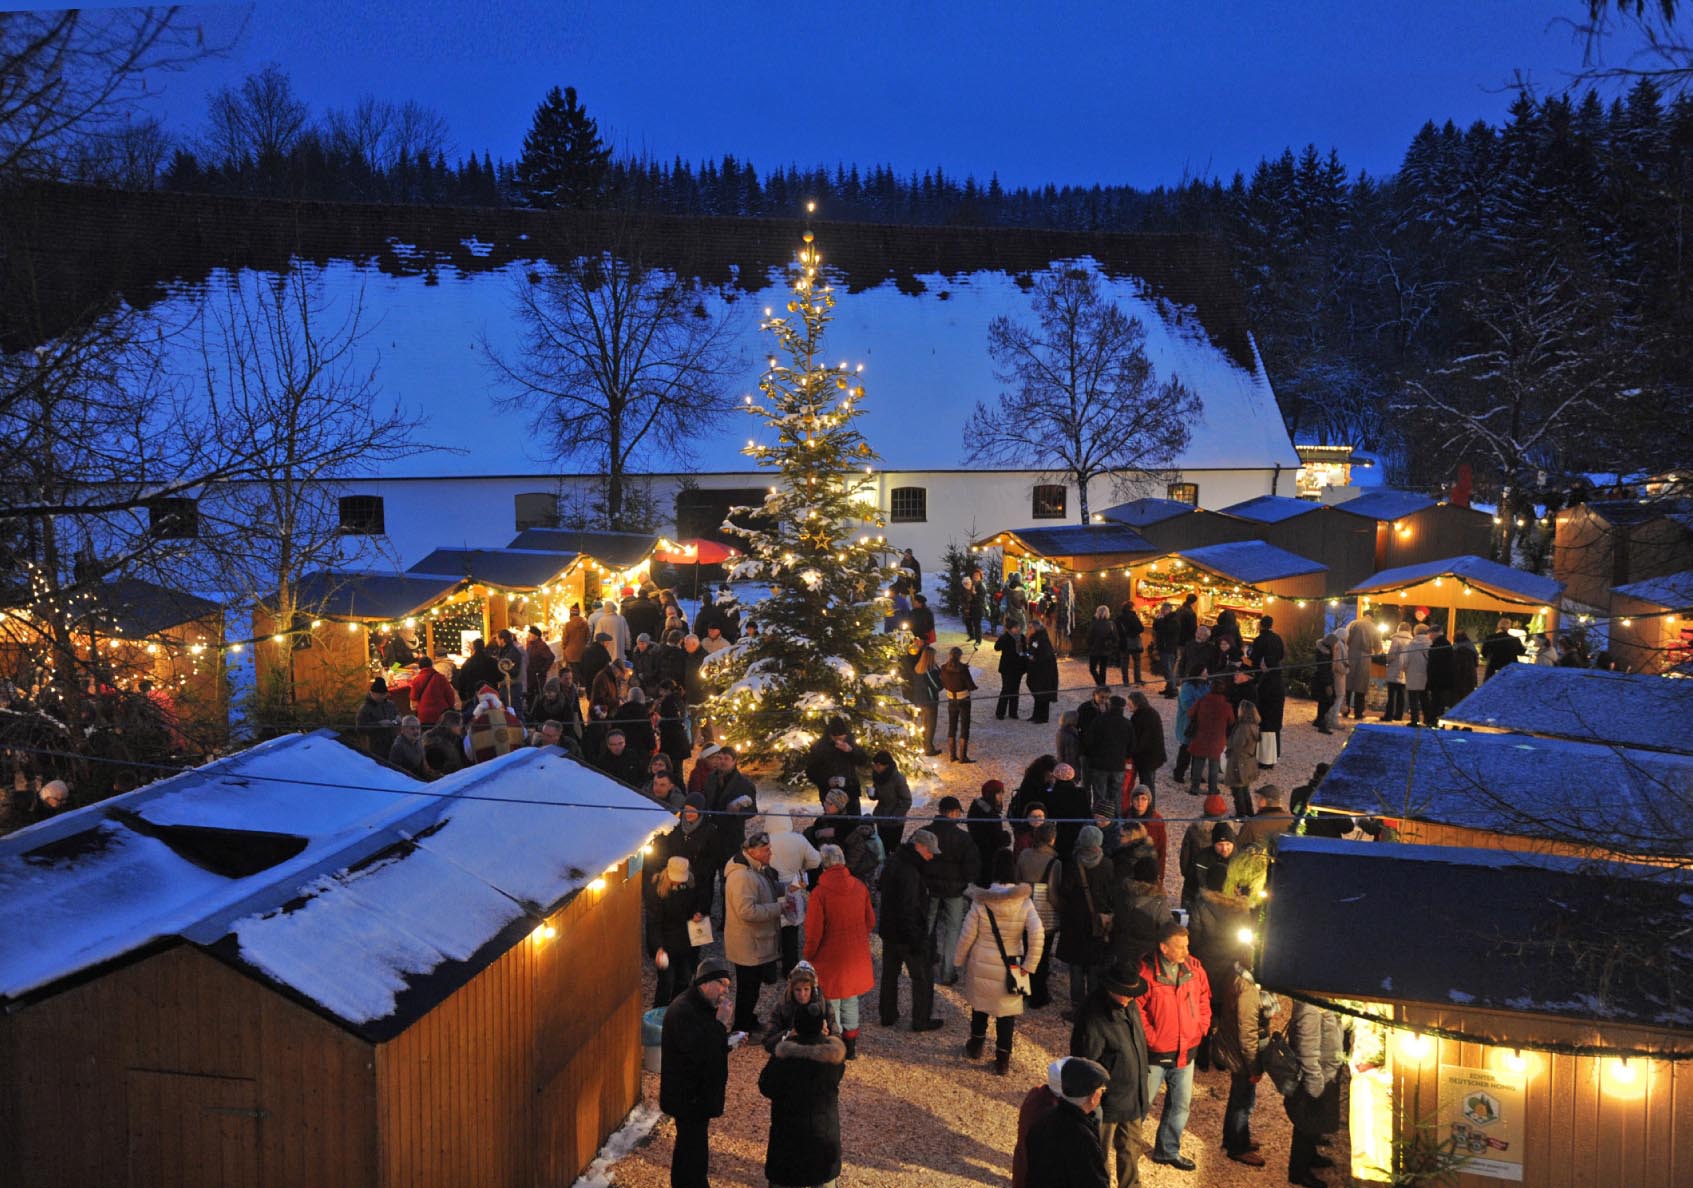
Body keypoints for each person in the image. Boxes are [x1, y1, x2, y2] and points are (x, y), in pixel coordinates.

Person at [955, 849, 1045, 1075]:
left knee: (980, 1006)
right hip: (1013, 966)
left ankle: (976, 1045)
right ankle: (1002, 1059)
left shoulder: (981, 902)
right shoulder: (1024, 903)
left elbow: (967, 934)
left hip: (982, 961)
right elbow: (1038, 933)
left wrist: (958, 960)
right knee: (1007, 1014)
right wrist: (1029, 966)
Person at [1070, 960, 1151, 1188]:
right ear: (1110, 987)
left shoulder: (1129, 1004)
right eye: (1124, 993)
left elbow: (1136, 1045)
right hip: (1107, 1103)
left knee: (1131, 1149)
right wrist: (1095, 1097)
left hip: (1132, 1097)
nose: (1129, 998)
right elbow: (1086, 1062)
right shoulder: (1093, 1016)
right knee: (1099, 1157)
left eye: (1131, 993)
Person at [1137, 922, 1211, 1171]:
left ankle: (1167, 1151)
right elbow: (1137, 1010)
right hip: (1156, 1054)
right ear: (1164, 947)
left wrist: (1200, 1027)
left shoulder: (1195, 969)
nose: (1185, 952)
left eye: (1187, 946)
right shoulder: (1145, 972)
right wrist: (1153, 1039)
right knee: (1141, 1103)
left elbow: (1204, 999)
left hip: (1185, 1051)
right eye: (1180, 947)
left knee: (1180, 1105)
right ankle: (1129, 1146)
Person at [758, 1000, 847, 1188]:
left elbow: (766, 1086)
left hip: (788, 1136)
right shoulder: (832, 1059)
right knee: (823, 1178)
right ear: (821, 1026)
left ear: (796, 1026)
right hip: (823, 1135)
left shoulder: (783, 1058)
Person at [659, 964, 734, 1188]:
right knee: (690, 1152)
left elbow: (706, 1042)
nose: (726, 991)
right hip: (689, 1097)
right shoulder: (683, 1011)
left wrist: (727, 1041)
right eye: (723, 985)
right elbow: (699, 1052)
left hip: (695, 1096)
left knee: (693, 1149)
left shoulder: (699, 1005)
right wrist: (720, 1025)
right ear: (707, 983)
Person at [804, 843, 876, 1060]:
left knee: (831, 1003)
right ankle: (851, 1045)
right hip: (855, 955)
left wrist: (807, 957)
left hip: (830, 958)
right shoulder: (859, 886)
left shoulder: (819, 893)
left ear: (823, 864)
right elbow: (870, 921)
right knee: (851, 1000)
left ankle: (835, 1047)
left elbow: (814, 933)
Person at [1213, 948, 1278, 1167]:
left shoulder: (1235, 976)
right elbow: (1247, 1032)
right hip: (1241, 1056)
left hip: (1232, 1048)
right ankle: (1237, 1148)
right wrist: (1254, 1068)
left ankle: (1234, 1138)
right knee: (1242, 1102)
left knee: (1238, 1098)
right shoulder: (1248, 990)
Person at [879, 829, 944, 1031]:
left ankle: (887, 1015)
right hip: (906, 933)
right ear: (919, 847)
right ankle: (920, 1019)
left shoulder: (894, 861)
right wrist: (915, 938)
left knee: (890, 974)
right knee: (922, 977)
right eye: (929, 851)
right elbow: (908, 907)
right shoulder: (910, 871)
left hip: (889, 930)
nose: (931, 856)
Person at [1283, 999, 1353, 1187]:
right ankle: (1299, 1172)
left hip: (1325, 1073)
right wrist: (1315, 1082)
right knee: (1305, 1125)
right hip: (1317, 1076)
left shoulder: (1321, 1002)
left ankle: (1310, 1156)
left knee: (1314, 1123)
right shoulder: (1310, 1008)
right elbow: (1307, 1050)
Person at [724, 823, 785, 1034]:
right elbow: (747, 912)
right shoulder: (742, 877)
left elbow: (765, 889)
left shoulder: (755, 870)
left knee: (751, 989)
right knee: (747, 991)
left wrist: (786, 889)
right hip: (748, 946)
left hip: (753, 944)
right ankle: (742, 1029)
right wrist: (779, 907)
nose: (771, 853)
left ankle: (747, 1022)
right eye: (766, 850)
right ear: (753, 852)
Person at [1024, 1057, 1112, 1188]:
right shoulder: (1082, 1137)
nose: (1102, 1094)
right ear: (1093, 1097)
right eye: (1101, 1090)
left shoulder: (1043, 1119)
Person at [924, 796, 979, 985]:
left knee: (926, 927)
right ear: (954, 813)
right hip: (954, 891)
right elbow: (971, 867)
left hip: (930, 889)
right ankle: (947, 973)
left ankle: (923, 966)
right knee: (952, 931)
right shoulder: (963, 838)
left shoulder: (924, 832)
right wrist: (965, 882)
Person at [647, 855, 707, 1008]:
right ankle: (661, 1012)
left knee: (684, 979)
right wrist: (658, 948)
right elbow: (654, 923)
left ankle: (677, 1010)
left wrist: (696, 914)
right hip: (667, 943)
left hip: (685, 942)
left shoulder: (691, 884)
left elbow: (697, 904)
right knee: (666, 982)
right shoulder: (657, 891)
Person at [1015, 820, 1063, 1007]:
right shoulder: (1054, 862)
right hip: (1044, 915)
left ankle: (1021, 990)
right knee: (1041, 957)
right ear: (1052, 838)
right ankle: (1038, 996)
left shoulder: (1024, 854)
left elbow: (1017, 880)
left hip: (1024, 909)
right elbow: (1053, 894)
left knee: (1023, 951)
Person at [767, 813, 822, 974]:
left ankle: (769, 971)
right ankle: (789, 967)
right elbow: (816, 860)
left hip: (771, 888)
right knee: (790, 930)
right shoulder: (798, 840)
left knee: (769, 931)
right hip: (793, 886)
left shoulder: (766, 840)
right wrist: (801, 867)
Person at [761, 960, 841, 1053]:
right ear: (791, 989)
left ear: (812, 988)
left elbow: (837, 1040)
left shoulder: (823, 1004)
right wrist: (788, 1035)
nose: (802, 994)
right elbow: (767, 1043)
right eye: (798, 990)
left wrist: (827, 1038)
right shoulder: (782, 1005)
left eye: (806, 989)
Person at [1245, 615, 1285, 770]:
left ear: (1261, 625)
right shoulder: (1277, 638)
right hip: (1274, 686)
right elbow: (1281, 655)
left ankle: (1262, 756)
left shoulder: (1260, 639)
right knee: (1274, 726)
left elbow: (1253, 656)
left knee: (1264, 722)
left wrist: (1251, 656)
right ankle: (1274, 754)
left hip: (1263, 683)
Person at [804, 718, 867, 816]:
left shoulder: (851, 742)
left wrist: (851, 751)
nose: (839, 741)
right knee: (834, 824)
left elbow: (863, 761)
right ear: (830, 735)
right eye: (836, 738)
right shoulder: (820, 747)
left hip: (850, 791)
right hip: (830, 796)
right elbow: (811, 771)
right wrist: (827, 781)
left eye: (841, 738)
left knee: (853, 822)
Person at [1082, 695, 1133, 815]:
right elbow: (1132, 747)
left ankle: (1099, 822)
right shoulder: (1127, 724)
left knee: (1100, 796)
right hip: (1118, 765)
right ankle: (1116, 822)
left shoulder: (1098, 721)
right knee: (1116, 796)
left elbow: (1088, 742)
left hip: (1099, 766)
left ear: (1108, 706)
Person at [1179, 794, 1232, 906]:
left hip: (1194, 879)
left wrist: (1187, 874)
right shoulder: (1228, 832)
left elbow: (1185, 856)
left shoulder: (1194, 829)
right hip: (1221, 881)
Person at [1186, 680, 1234, 797]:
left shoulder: (1202, 701)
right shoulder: (1226, 706)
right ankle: (1212, 789)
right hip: (1217, 739)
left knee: (1198, 763)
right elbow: (1232, 721)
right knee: (1214, 765)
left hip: (1200, 736)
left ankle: (1194, 788)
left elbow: (1190, 713)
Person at [867, 750, 913, 859]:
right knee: (883, 847)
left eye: (878, 765)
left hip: (894, 821)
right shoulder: (878, 776)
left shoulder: (898, 779)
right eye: (875, 765)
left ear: (886, 765)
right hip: (882, 817)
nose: (876, 768)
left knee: (893, 848)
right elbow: (880, 796)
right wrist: (872, 794)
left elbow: (906, 800)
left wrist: (895, 816)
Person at [938, 645, 979, 763]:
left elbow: (944, 684)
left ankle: (952, 755)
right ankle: (963, 756)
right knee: (965, 727)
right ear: (960, 657)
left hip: (951, 698)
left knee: (952, 726)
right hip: (964, 699)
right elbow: (971, 686)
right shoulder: (963, 670)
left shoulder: (943, 668)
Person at [904, 639, 942, 755]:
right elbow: (937, 686)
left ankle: (919, 744)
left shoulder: (917, 668)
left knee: (923, 724)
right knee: (930, 725)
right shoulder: (930, 671)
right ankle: (929, 748)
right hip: (930, 701)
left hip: (919, 699)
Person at [1224, 699, 1261, 819]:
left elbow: (1237, 745)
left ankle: (1240, 814)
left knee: (1237, 788)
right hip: (1248, 760)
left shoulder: (1243, 728)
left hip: (1239, 761)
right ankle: (1249, 812)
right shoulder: (1254, 726)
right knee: (1245, 787)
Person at [968, 778, 1011, 879]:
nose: (1001, 797)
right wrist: (1005, 837)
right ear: (991, 795)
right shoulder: (989, 813)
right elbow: (996, 837)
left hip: (980, 850)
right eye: (999, 793)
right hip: (988, 855)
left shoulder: (979, 805)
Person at [1125, 692, 1165, 797]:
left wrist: (1130, 752)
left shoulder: (1140, 717)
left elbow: (1141, 741)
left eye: (1130, 703)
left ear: (1137, 703)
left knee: (1147, 786)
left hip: (1146, 758)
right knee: (1149, 784)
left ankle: (1149, 810)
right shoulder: (1151, 713)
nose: (1128, 706)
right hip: (1153, 757)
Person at [1124, 785, 1166, 882]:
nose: (1140, 802)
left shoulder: (1157, 821)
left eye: (1144, 799)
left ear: (1149, 801)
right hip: (1129, 869)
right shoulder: (1125, 817)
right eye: (1136, 798)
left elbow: (1161, 850)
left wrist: (1160, 875)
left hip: (1149, 869)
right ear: (1132, 800)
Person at [1237, 784, 1295, 850]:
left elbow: (1238, 849)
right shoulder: (1293, 820)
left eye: (1257, 798)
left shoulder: (1251, 825)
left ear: (1263, 801)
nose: (1256, 802)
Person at [356, 679, 399, 757]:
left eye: (384, 694)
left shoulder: (390, 705)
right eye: (380, 695)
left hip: (392, 743)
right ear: (372, 693)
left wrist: (397, 720)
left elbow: (397, 714)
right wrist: (379, 724)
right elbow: (360, 727)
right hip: (375, 746)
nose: (382, 697)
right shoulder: (365, 708)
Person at [409, 655, 457, 726]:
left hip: (424, 716)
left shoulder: (416, 680)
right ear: (432, 665)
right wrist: (451, 708)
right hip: (441, 714)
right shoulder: (441, 678)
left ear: (420, 667)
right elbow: (450, 696)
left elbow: (413, 699)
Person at [1027, 625, 1061, 724]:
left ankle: (1043, 717)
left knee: (1043, 693)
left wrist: (1034, 659)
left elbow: (1046, 656)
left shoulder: (1042, 640)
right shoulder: (1036, 639)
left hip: (1044, 671)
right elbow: (1033, 650)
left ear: (1036, 628)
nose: (1029, 630)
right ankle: (1036, 715)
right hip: (1038, 670)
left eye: (1031, 627)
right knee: (1037, 692)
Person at [1344, 616, 1375, 719]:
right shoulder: (1374, 627)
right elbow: (1378, 647)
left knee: (1347, 685)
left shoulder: (1353, 624)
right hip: (1365, 659)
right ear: (1371, 618)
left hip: (1351, 656)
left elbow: (1345, 639)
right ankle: (1358, 713)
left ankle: (1345, 710)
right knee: (1361, 687)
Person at [996, 621, 1028, 720]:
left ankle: (1013, 712)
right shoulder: (1005, 637)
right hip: (1007, 667)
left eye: (1018, 627)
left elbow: (1024, 650)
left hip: (1018, 668)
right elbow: (996, 648)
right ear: (1011, 629)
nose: (1018, 629)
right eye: (1016, 627)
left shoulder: (1021, 637)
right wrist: (1002, 640)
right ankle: (1000, 713)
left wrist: (1026, 660)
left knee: (1015, 690)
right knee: (1006, 689)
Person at [1382, 621, 1413, 721]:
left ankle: (1389, 715)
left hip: (1394, 668)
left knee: (1391, 695)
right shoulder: (1412, 641)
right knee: (1401, 694)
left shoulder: (1396, 639)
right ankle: (1399, 715)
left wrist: (1387, 661)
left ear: (1399, 629)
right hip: (1405, 670)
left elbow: (1391, 654)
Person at [1403, 622, 1432, 726]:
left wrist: (1405, 670)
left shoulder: (1410, 644)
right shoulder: (1430, 644)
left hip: (1412, 675)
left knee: (1413, 699)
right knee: (1425, 698)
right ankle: (1428, 719)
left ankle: (1414, 720)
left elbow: (1404, 661)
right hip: (1425, 675)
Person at [1153, 602, 1182, 696]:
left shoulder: (1174, 620)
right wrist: (1157, 620)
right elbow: (1156, 628)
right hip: (1164, 646)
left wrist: (1160, 621)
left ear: (1169, 610)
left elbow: (1166, 630)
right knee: (1166, 669)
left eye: (1164, 609)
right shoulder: (1165, 619)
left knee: (1168, 669)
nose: (1162, 611)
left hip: (1168, 647)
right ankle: (1169, 687)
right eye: (1162, 609)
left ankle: (1173, 689)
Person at [1116, 600, 1145, 686]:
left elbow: (1116, 630)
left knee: (1124, 662)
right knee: (1137, 661)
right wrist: (1133, 634)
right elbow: (1141, 628)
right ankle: (1137, 679)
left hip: (1123, 642)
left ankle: (1125, 681)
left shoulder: (1119, 618)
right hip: (1134, 642)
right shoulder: (1133, 617)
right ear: (1131, 607)